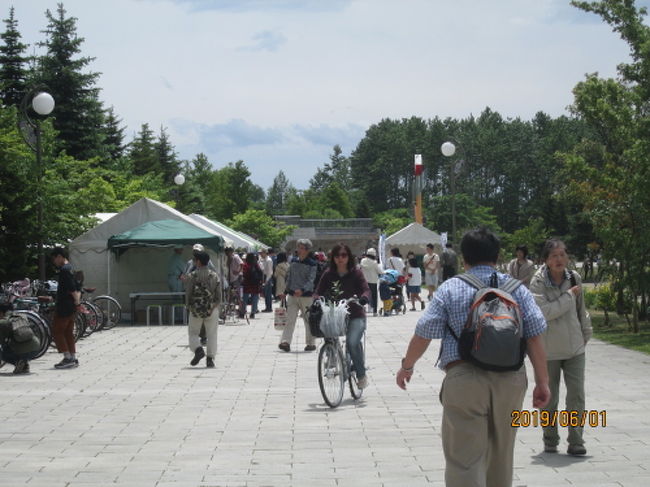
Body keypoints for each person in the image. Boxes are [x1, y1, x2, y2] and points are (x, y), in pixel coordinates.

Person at [396, 227, 550, 487]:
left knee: (464, 460)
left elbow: (424, 333)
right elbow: (535, 335)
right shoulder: (517, 289)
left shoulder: (450, 288)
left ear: (463, 258)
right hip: (510, 379)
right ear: (497, 255)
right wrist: (542, 382)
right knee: (502, 455)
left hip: (464, 378)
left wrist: (407, 367)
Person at [529, 238, 592, 456]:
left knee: (576, 396)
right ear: (545, 259)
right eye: (554, 255)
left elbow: (581, 309)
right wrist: (568, 296)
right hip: (548, 351)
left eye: (563, 254)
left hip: (575, 348)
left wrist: (586, 333)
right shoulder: (537, 283)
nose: (559, 259)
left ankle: (576, 440)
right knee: (550, 398)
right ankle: (550, 439)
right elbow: (544, 313)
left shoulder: (574, 277)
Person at [315, 243, 371, 389]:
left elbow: (365, 289)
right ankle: (332, 355)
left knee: (352, 343)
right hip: (336, 313)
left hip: (355, 314)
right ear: (332, 258)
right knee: (327, 332)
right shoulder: (328, 274)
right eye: (337, 256)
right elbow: (318, 291)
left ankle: (361, 374)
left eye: (344, 255)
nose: (340, 258)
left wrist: (363, 298)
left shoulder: (356, 273)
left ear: (349, 257)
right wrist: (316, 299)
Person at [278, 239, 318, 352]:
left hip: (306, 296)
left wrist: (303, 289)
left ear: (307, 250)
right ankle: (285, 342)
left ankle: (310, 343)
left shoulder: (313, 264)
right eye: (298, 247)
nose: (298, 250)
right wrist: (285, 292)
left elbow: (311, 280)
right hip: (292, 295)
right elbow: (289, 277)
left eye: (301, 247)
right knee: (290, 319)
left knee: (308, 320)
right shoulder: (293, 261)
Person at [185, 251, 221, 368]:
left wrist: (189, 307)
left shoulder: (192, 276)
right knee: (212, 334)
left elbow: (188, 294)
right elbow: (219, 297)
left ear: (199, 262)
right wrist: (213, 307)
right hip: (211, 309)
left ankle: (198, 349)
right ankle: (210, 359)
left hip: (196, 310)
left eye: (195, 260)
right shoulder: (215, 276)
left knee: (193, 332)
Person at [51, 247, 81, 369]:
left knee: (57, 331)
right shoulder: (71, 268)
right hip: (71, 305)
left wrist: (77, 301)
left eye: (54, 259)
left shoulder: (64, 270)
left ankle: (67, 357)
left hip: (65, 305)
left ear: (59, 256)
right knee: (68, 331)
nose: (54, 262)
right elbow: (78, 286)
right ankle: (72, 357)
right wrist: (77, 303)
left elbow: (71, 288)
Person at [0, 301, 41, 374]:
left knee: (3, 352)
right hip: (37, 347)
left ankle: (18, 362)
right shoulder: (22, 316)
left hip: (23, 350)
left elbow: (1, 341)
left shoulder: (3, 322)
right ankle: (24, 365)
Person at [360, 248, 383, 316]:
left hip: (364, 281)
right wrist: (384, 272)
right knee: (374, 296)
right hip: (373, 281)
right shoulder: (374, 262)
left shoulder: (362, 261)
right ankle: (375, 311)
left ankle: (361, 309)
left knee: (363, 295)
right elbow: (380, 271)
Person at [241, 252, 263, 318]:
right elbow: (261, 272)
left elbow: (244, 274)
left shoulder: (246, 265)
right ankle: (253, 313)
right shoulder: (256, 264)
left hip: (247, 284)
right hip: (255, 284)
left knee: (245, 299)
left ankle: (243, 312)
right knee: (255, 299)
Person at [259, 248, 274, 312]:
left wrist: (266, 280)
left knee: (268, 294)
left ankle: (269, 308)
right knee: (266, 293)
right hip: (264, 277)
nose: (260, 254)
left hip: (268, 277)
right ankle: (267, 307)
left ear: (265, 253)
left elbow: (270, 272)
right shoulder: (263, 260)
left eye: (261, 253)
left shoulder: (269, 260)